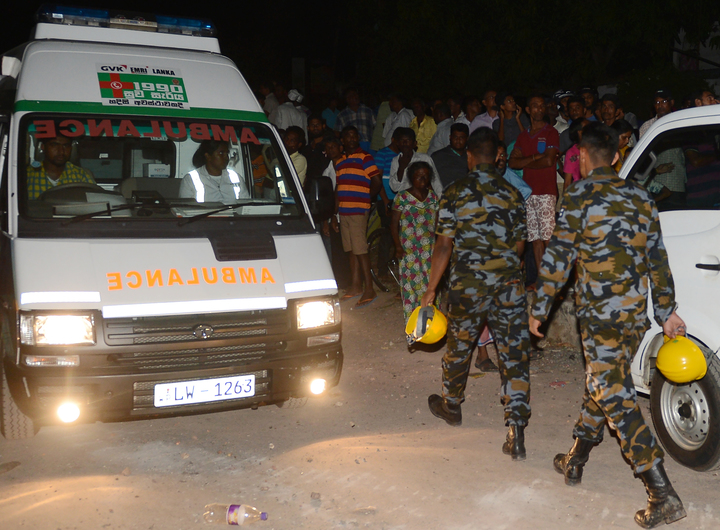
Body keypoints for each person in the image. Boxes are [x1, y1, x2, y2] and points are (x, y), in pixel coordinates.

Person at [530, 122, 687, 529]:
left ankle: (662, 493)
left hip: (600, 316)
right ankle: (576, 459)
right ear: (617, 156)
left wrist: (540, 307)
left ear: (580, 158)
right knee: (603, 381)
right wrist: (666, 310)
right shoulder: (640, 196)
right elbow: (658, 257)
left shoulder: (579, 195)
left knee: (609, 390)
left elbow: (559, 257)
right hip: (634, 314)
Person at [422, 127, 531, 461]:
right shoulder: (513, 194)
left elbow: (443, 245)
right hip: (508, 285)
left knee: (459, 346)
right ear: (496, 156)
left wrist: (430, 290)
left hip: (468, 285)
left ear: (469, 156)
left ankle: (451, 406)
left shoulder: (454, 193)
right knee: (513, 354)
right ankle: (516, 431)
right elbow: (520, 244)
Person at [509, 94, 560, 287]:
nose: (539, 109)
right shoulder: (522, 136)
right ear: (528, 110)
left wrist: (528, 160)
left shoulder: (551, 133)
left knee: (548, 238)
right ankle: (542, 280)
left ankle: (554, 281)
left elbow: (549, 160)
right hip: (528, 193)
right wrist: (535, 157)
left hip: (546, 191)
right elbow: (512, 162)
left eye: (541, 105)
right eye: (534, 106)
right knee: (535, 240)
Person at [335, 126, 382, 308]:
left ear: (358, 139)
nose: (351, 139)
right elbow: (338, 189)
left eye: (354, 136)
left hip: (358, 210)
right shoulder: (340, 162)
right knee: (351, 250)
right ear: (343, 140)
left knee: (361, 250)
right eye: (348, 136)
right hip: (344, 211)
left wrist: (365, 200)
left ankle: (369, 288)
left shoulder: (365, 157)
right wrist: (334, 213)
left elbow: (377, 181)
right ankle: (355, 286)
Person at [390, 161, 439, 321]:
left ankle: (429, 323)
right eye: (418, 176)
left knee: (430, 287)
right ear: (411, 177)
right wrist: (397, 246)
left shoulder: (433, 198)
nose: (422, 179)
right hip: (409, 251)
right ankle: (413, 325)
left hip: (429, 252)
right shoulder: (402, 197)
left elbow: (437, 225)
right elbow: (393, 224)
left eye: (425, 176)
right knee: (411, 289)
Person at [27, 134, 95, 200]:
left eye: (66, 146)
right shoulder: (28, 175)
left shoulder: (81, 175)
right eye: (54, 145)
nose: (61, 151)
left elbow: (96, 201)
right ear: (43, 147)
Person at [179, 140, 249, 203]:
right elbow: (185, 208)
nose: (226, 157)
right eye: (221, 153)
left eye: (227, 153)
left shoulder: (235, 177)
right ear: (208, 156)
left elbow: (246, 205)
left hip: (233, 217)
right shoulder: (190, 179)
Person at [388, 128, 443, 197]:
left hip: (424, 198)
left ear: (414, 143)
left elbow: (435, 182)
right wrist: (401, 168)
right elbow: (394, 188)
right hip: (404, 200)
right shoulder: (395, 160)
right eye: (402, 140)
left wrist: (441, 199)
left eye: (408, 140)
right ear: (398, 143)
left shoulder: (424, 158)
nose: (405, 143)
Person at [431, 123, 469, 189]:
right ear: (450, 137)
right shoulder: (438, 157)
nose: (458, 140)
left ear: (467, 139)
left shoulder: (472, 157)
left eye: (461, 138)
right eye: (455, 137)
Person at [562, 119, 590, 188]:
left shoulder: (595, 149)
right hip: (578, 191)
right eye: (587, 127)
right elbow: (567, 182)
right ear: (579, 132)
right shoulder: (572, 152)